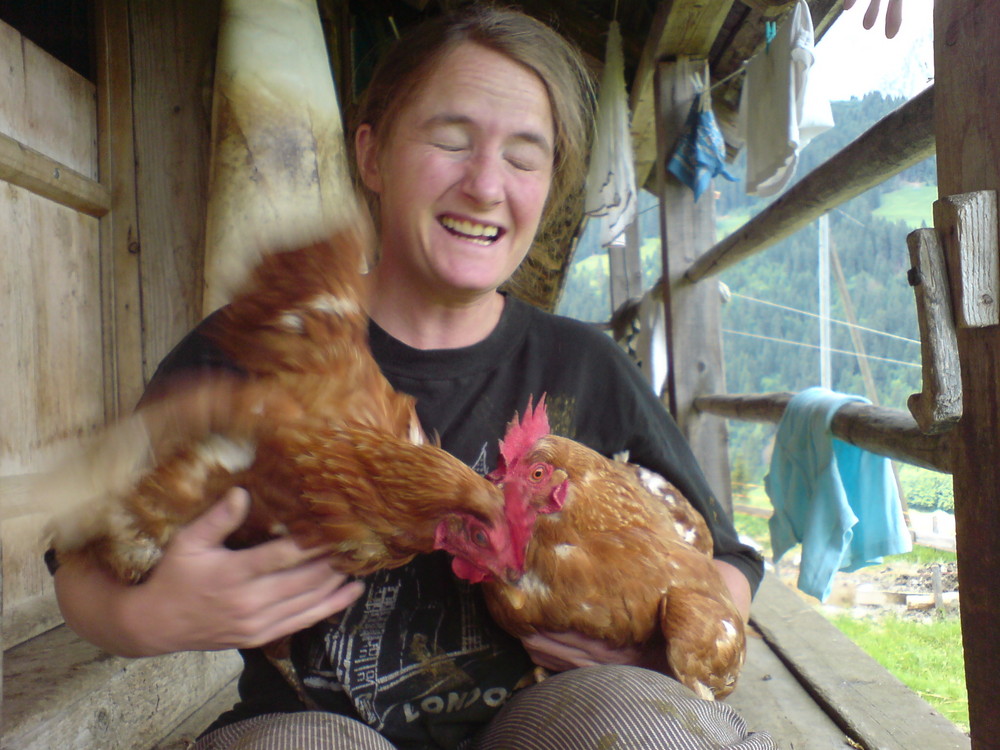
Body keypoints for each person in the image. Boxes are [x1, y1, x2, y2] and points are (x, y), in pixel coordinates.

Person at [53, 6, 772, 749]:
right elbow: (77, 556)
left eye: (525, 156)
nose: (486, 184)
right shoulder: (273, 345)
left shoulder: (584, 365)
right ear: (372, 155)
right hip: (312, 721)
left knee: (641, 724)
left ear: (550, 186)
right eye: (450, 140)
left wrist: (655, 651)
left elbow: (729, 559)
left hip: (552, 712)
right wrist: (146, 617)